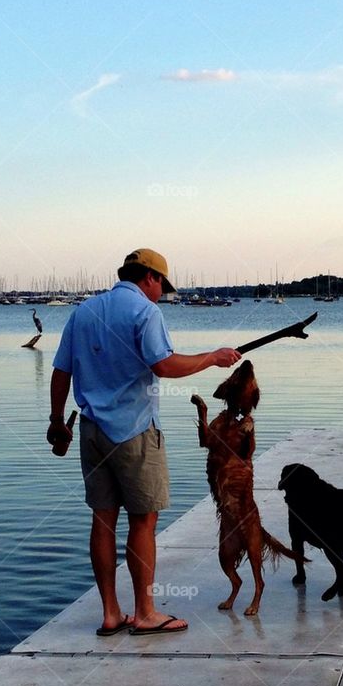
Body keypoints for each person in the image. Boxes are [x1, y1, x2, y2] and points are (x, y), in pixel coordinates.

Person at [47, 248, 240, 636]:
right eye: (162, 285)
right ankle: (145, 612)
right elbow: (164, 365)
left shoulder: (84, 311)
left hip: (91, 431)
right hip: (134, 431)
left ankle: (110, 613)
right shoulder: (146, 312)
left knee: (102, 519)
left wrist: (56, 420)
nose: (162, 293)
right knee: (143, 521)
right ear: (150, 277)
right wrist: (212, 358)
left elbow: (60, 371)